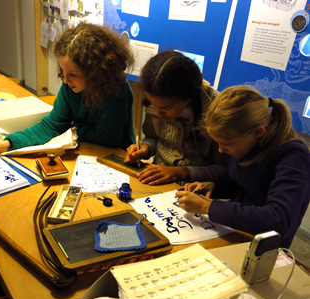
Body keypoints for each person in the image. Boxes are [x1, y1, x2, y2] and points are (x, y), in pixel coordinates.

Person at [175, 86, 310, 248]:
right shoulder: (247, 142)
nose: (220, 150)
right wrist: (212, 186)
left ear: (257, 132)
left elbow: (278, 219)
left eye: (226, 144)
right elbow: (244, 183)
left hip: (264, 249)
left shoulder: (294, 157)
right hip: (235, 232)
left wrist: (207, 206)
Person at [0, 22, 135, 156]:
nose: (65, 80)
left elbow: (107, 139)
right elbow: (52, 126)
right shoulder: (70, 85)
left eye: (73, 74)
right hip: (84, 151)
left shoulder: (117, 91)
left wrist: (72, 128)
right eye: (63, 72)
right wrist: (7, 143)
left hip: (115, 159)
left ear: (95, 73)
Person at [124, 50, 226, 185]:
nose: (158, 113)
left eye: (166, 108)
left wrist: (181, 172)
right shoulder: (156, 101)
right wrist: (145, 148)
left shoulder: (217, 112)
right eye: (153, 105)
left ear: (188, 97)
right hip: (160, 184)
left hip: (197, 192)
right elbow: (152, 138)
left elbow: (224, 170)